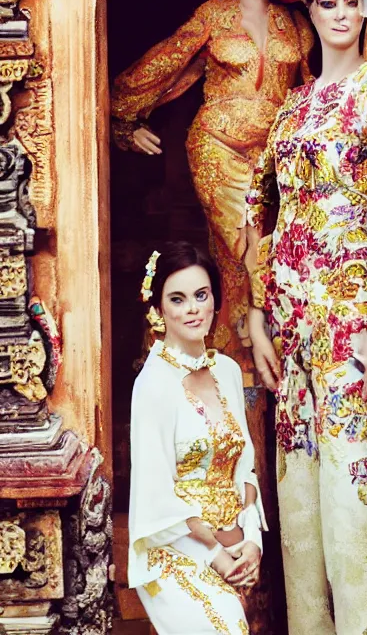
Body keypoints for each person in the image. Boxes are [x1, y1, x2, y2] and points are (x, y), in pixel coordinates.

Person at [245, 0, 367, 633]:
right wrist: (255, 317)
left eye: (351, 1)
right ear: (309, 10)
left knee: (350, 500)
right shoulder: (293, 104)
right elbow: (258, 208)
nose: (339, 13)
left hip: (348, 329)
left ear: (365, 10)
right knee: (299, 506)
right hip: (290, 328)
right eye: (326, 1)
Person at [111, 0, 314, 383]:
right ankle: (253, 339)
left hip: (273, 157)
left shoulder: (296, 25)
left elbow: (307, 90)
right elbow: (165, 61)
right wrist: (120, 115)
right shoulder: (214, 14)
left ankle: (234, 360)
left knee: (259, 251)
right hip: (216, 146)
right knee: (243, 242)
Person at [129, 242, 267, 635]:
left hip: (237, 552)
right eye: (177, 298)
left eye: (201, 295)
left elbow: (245, 468)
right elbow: (155, 496)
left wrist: (252, 543)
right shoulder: (153, 384)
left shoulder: (225, 371)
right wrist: (219, 557)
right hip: (176, 553)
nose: (192, 309)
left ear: (215, 301)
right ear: (158, 310)